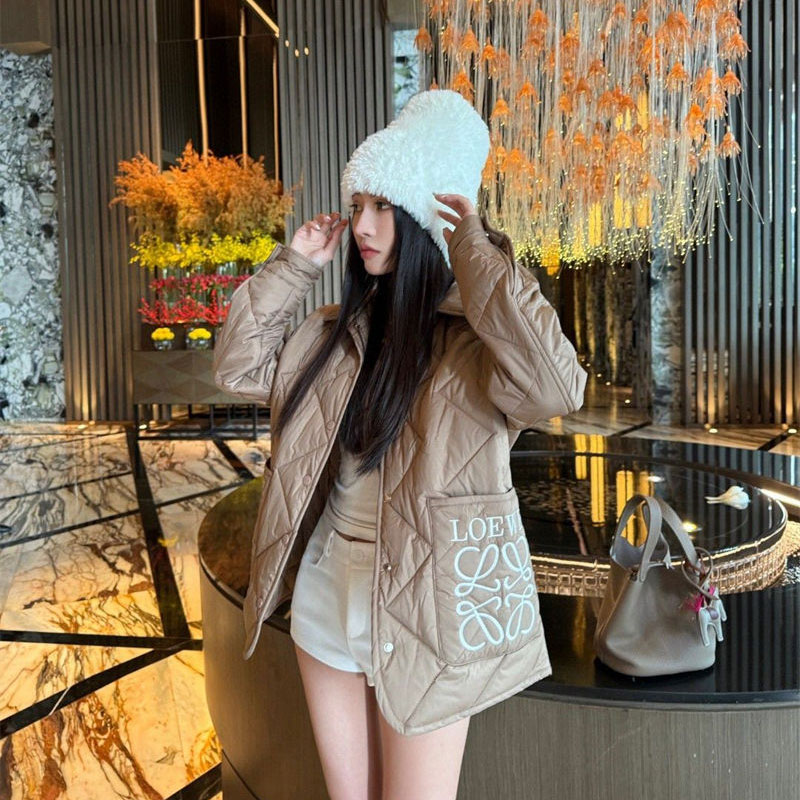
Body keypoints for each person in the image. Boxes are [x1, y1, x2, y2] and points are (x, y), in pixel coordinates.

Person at [213, 89, 587, 800]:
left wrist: (472, 250)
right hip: (327, 597)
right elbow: (237, 368)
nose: (361, 224)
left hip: (426, 612)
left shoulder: (473, 351)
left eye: (384, 206)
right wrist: (293, 266)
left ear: (424, 217)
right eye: (358, 205)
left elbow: (555, 386)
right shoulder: (332, 333)